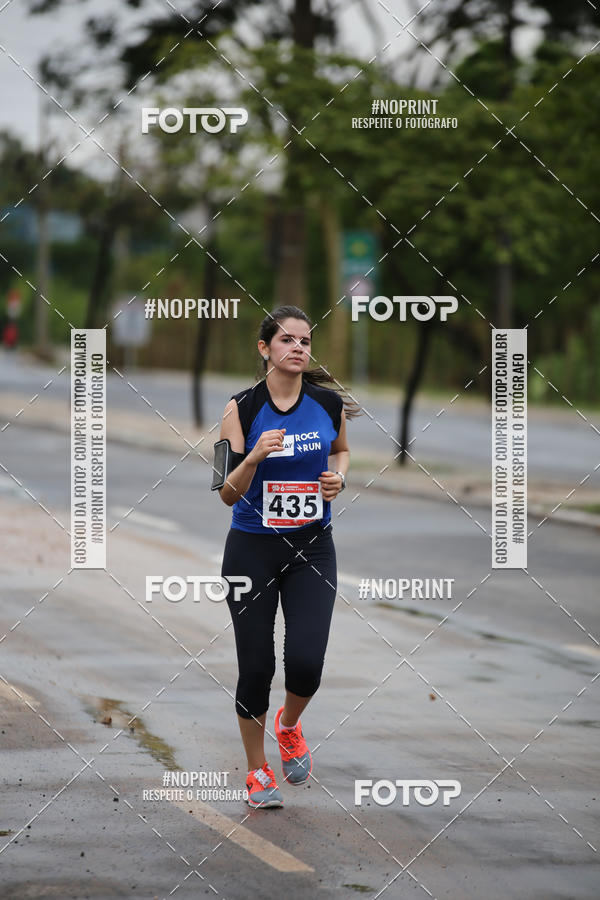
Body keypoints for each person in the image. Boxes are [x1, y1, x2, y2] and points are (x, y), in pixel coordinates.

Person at [214, 304, 357, 809]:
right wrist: (253, 456)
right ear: (265, 349)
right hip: (251, 548)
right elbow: (226, 493)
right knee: (256, 667)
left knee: (306, 663)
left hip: (312, 546)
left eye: (306, 341)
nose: (299, 348)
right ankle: (257, 773)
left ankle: (289, 726)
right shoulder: (242, 409)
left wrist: (339, 476)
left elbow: (340, 450)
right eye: (287, 340)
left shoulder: (326, 403)